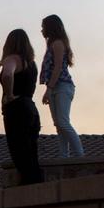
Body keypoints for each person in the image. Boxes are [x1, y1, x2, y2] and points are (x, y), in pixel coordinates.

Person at [0, 29, 44, 185]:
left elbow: (7, 75)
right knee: (31, 155)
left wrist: (9, 96)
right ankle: (39, 189)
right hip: (30, 109)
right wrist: (1, 62)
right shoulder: (31, 64)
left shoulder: (12, 59)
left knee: (20, 155)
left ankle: (29, 193)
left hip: (16, 111)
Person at [40, 14, 84, 157]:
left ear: (50, 28)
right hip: (55, 87)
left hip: (62, 86)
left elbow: (58, 67)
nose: (42, 30)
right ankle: (64, 156)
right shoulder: (53, 44)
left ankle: (79, 156)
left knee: (63, 123)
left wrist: (49, 89)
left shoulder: (58, 43)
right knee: (59, 126)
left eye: (43, 27)